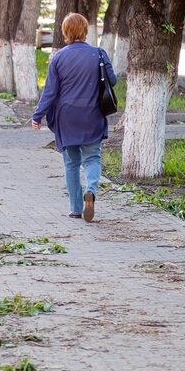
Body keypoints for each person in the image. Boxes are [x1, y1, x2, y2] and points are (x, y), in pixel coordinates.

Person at [31, 12, 116, 223]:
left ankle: (76, 209)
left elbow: (50, 92)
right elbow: (112, 81)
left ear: (65, 32)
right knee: (92, 157)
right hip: (92, 113)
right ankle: (91, 190)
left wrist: (38, 115)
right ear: (85, 30)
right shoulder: (99, 54)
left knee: (71, 163)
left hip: (66, 116)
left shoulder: (58, 57)